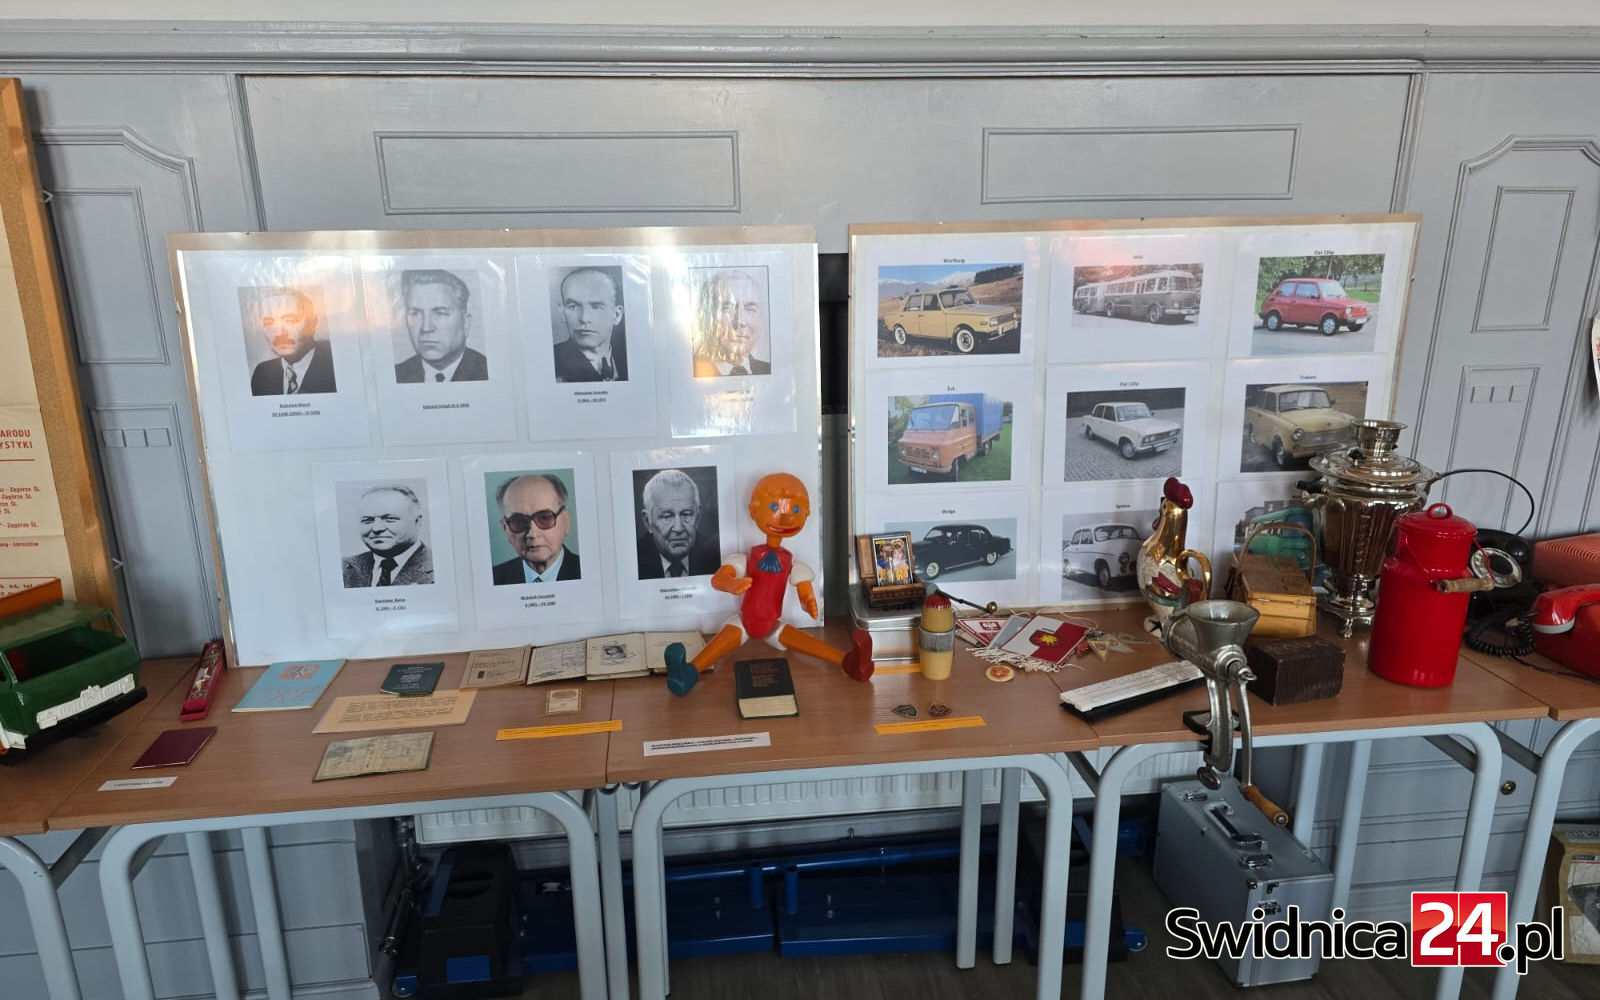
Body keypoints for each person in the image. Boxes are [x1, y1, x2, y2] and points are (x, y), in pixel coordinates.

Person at [663, 473, 872, 696]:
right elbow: (718, 579)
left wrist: (807, 600)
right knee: (718, 644)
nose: (786, 519)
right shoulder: (748, 557)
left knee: (809, 643)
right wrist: (731, 584)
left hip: (772, 626)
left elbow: (803, 587)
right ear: (754, 510)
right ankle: (687, 673)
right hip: (744, 622)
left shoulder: (790, 562)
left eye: (795, 510)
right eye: (774, 507)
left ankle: (850, 662)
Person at [393, 269, 488, 383]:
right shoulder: (396, 375)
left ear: (465, 324)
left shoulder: (487, 372)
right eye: (415, 313)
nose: (426, 328)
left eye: (440, 313)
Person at [492, 473, 581, 584]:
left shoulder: (589, 572)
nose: (532, 534)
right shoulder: (494, 578)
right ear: (505, 528)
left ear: (566, 521)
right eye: (519, 521)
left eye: (544, 518)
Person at [248, 286, 337, 396]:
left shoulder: (335, 366)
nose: (279, 333)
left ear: (312, 324)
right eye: (269, 323)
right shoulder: (262, 374)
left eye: (290, 321)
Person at [340, 485, 433, 587]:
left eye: (390, 519)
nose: (377, 528)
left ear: (417, 522)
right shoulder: (342, 568)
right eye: (367, 520)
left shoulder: (438, 566)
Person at [635, 469, 720, 579]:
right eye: (667, 516)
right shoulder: (633, 562)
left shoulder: (715, 559)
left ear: (698, 518)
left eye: (686, 514)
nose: (678, 528)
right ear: (648, 521)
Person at [552, 266, 627, 382]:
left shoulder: (631, 359)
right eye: (573, 306)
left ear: (617, 315)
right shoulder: (551, 362)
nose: (584, 318)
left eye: (596, 307)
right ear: (562, 313)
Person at [692, 268, 771, 377]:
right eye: (727, 308)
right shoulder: (688, 373)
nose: (740, 321)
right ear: (704, 318)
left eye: (750, 309)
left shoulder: (768, 370)